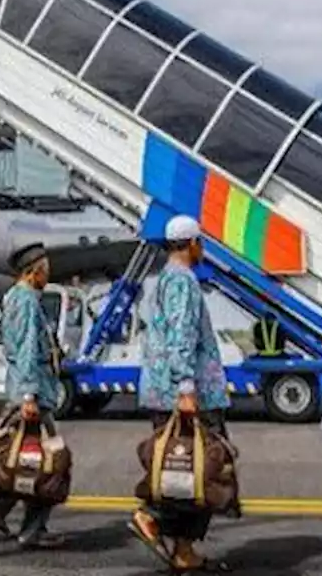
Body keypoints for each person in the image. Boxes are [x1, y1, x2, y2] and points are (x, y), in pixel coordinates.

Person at [129, 215, 235, 572]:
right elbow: (181, 336)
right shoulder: (183, 283)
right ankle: (153, 518)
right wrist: (186, 387)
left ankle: (183, 549)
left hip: (166, 390)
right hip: (187, 394)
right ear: (192, 244)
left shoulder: (162, 280)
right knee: (205, 469)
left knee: (184, 469)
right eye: (201, 243)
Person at [0, 242, 66, 550]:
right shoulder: (28, 301)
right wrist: (30, 395)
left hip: (21, 388)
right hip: (33, 392)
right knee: (51, 464)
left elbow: (5, 339)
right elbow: (27, 347)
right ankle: (31, 529)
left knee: (21, 459)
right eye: (46, 271)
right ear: (33, 272)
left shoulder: (11, 298)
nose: (48, 276)